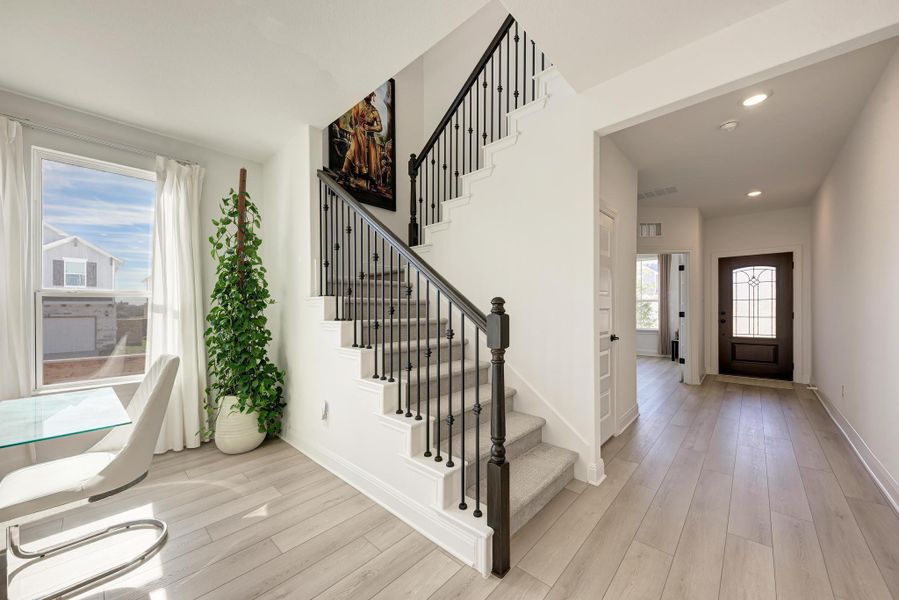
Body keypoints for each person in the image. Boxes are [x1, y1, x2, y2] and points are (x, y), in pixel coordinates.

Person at [341, 92, 383, 188]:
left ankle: (366, 181)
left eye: (370, 94)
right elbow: (353, 120)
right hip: (358, 134)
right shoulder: (358, 105)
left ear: (372, 96)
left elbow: (380, 127)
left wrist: (371, 128)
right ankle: (343, 173)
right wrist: (352, 129)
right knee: (353, 150)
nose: (367, 95)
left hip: (370, 138)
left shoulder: (374, 111)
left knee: (371, 159)